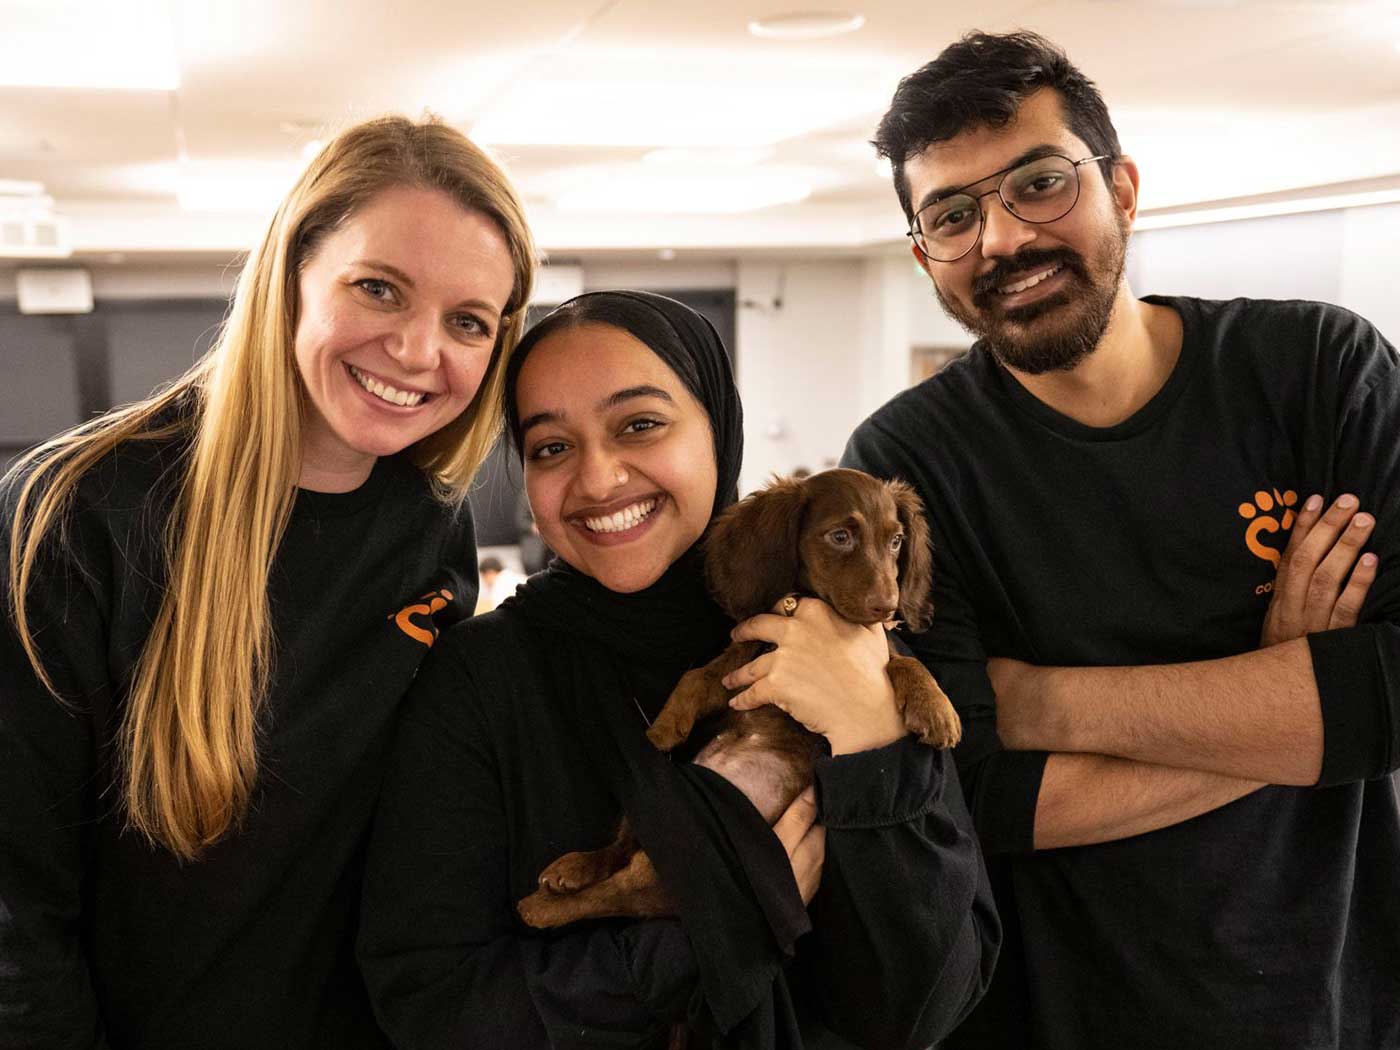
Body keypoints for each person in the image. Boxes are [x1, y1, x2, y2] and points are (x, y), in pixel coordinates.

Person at [843, 29, 1400, 1049]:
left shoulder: (1317, 370)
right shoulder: (905, 463)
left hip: (1327, 1006)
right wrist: (1295, 692)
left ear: (1123, 189)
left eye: (1039, 183)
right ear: (925, 256)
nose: (1002, 241)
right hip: (1059, 1016)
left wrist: (1036, 698)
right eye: (952, 216)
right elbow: (965, 791)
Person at [0, 116, 536, 1048]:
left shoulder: (428, 524)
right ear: (289, 276)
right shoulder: (78, 513)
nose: (418, 352)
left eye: (467, 322)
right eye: (378, 289)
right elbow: (14, 910)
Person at [357, 290, 998, 1049]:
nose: (597, 480)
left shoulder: (852, 648)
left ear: (719, 432)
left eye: (640, 424)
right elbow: (433, 1006)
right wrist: (718, 918)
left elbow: (929, 1004)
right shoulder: (482, 678)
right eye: (551, 448)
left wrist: (874, 744)